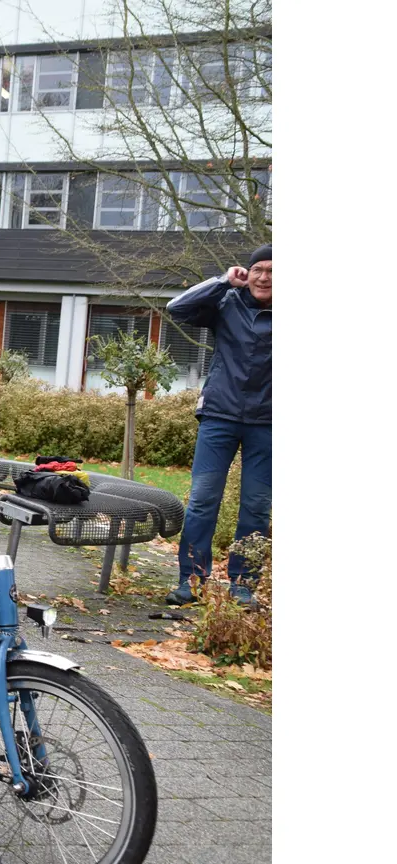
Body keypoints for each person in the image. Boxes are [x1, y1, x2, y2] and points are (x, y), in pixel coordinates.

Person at [164, 245, 272, 609]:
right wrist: (223, 280)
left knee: (257, 507)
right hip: (219, 417)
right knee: (202, 501)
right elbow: (177, 308)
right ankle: (191, 581)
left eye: (273, 271)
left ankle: (243, 586)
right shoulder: (228, 301)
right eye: (258, 269)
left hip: (270, 423)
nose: (264, 277)